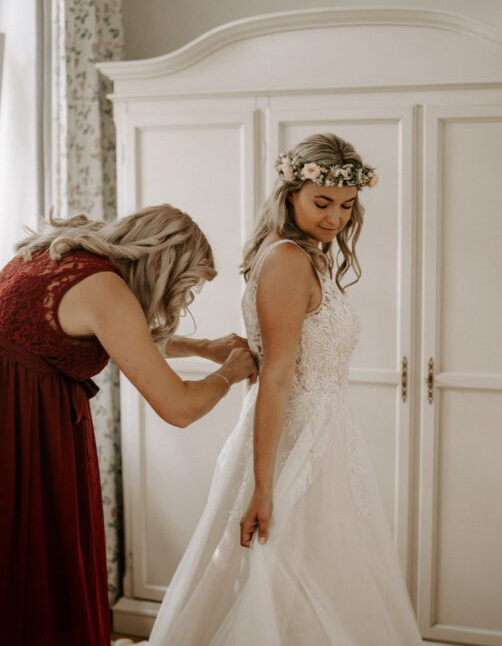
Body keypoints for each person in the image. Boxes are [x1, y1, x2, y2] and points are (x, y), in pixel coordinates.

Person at [0, 205, 257, 646]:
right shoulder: (105, 289)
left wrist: (203, 347)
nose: (182, 300)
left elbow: (124, 338)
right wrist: (230, 373)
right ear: (161, 262)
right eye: (186, 287)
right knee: (8, 595)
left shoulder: (62, 251)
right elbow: (177, 407)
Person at [148, 134, 422, 645]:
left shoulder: (305, 256)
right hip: (290, 438)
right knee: (275, 575)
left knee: (311, 575)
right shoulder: (288, 260)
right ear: (290, 193)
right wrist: (263, 485)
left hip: (322, 435)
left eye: (346, 205)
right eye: (322, 202)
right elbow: (275, 375)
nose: (336, 218)